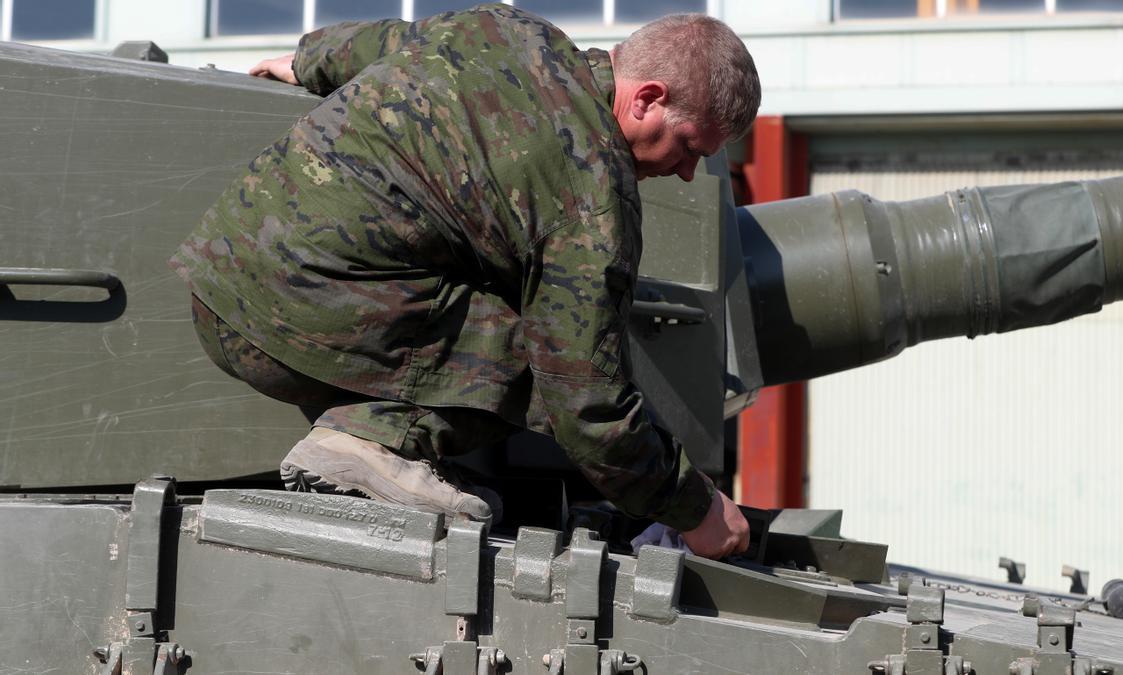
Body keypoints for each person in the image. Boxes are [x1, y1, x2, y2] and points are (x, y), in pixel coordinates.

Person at [171, 4, 760, 559]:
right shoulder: (594, 200)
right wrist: (694, 509)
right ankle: (371, 442)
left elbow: (377, 43)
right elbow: (588, 405)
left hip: (218, 278)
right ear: (647, 99)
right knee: (549, 350)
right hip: (285, 332)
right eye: (689, 147)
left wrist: (304, 60)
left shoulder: (505, 30)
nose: (686, 173)